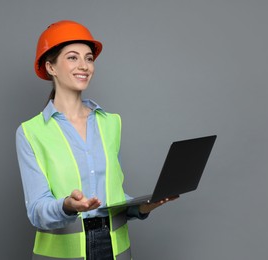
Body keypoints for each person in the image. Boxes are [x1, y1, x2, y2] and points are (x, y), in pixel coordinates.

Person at [16, 20, 176, 260]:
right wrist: (67, 206)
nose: (84, 66)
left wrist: (142, 207)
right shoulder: (30, 132)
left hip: (116, 249)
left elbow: (113, 195)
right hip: (63, 255)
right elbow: (37, 210)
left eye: (89, 58)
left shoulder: (111, 123)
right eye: (72, 57)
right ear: (50, 67)